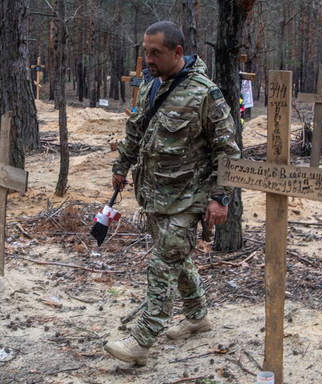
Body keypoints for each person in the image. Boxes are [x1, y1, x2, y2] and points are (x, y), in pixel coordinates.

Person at [104, 21, 241, 365]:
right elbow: (135, 130)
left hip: (189, 198)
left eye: (155, 53)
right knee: (178, 261)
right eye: (145, 51)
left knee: (163, 263)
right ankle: (198, 317)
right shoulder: (151, 86)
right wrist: (121, 168)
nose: (148, 58)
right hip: (154, 196)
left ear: (178, 53)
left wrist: (220, 198)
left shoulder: (205, 94)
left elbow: (229, 152)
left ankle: (141, 342)